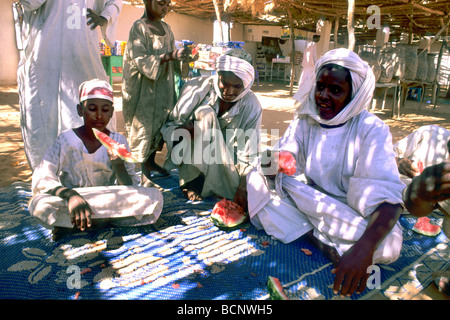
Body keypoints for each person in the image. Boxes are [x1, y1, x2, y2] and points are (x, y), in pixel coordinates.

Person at [246, 48, 405, 297]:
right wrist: (273, 162)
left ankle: (322, 235)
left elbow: (390, 201)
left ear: (355, 95)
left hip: (349, 216)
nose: (323, 96)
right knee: (255, 179)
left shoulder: (372, 130)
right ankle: (319, 241)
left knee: (388, 245)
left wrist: (364, 250)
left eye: (336, 90)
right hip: (311, 200)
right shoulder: (305, 121)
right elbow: (274, 163)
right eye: (320, 87)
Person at [28, 79, 163, 241]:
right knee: (39, 203)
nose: (99, 115)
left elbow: (130, 187)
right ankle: (101, 221)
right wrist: (71, 196)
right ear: (80, 110)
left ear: (112, 112)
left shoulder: (118, 140)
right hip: (71, 201)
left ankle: (74, 224)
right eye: (92, 109)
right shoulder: (66, 140)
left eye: (105, 110)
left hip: (106, 199)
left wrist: (119, 166)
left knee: (153, 196)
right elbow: (42, 177)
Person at [17, 0, 122, 171]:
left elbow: (114, 1)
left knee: (82, 111)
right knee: (45, 115)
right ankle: (47, 175)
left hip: (82, 52)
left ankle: (88, 172)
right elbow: (30, 3)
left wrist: (105, 16)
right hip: (45, 53)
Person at [161, 49, 262, 205]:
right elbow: (169, 127)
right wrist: (184, 131)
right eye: (225, 83)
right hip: (193, 153)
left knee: (247, 193)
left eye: (237, 86)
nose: (229, 91)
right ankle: (193, 180)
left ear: (247, 84)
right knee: (205, 113)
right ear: (218, 75)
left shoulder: (251, 105)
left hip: (227, 159)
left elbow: (248, 152)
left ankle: (218, 184)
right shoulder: (196, 88)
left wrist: (243, 185)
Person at [122, 0, 192, 187]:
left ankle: (152, 161)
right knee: (144, 125)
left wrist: (183, 57)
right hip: (143, 88)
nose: (165, 9)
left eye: (167, 5)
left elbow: (172, 58)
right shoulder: (139, 28)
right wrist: (170, 56)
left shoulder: (167, 29)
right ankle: (144, 170)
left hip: (163, 87)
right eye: (161, 3)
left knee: (159, 125)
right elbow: (140, 59)